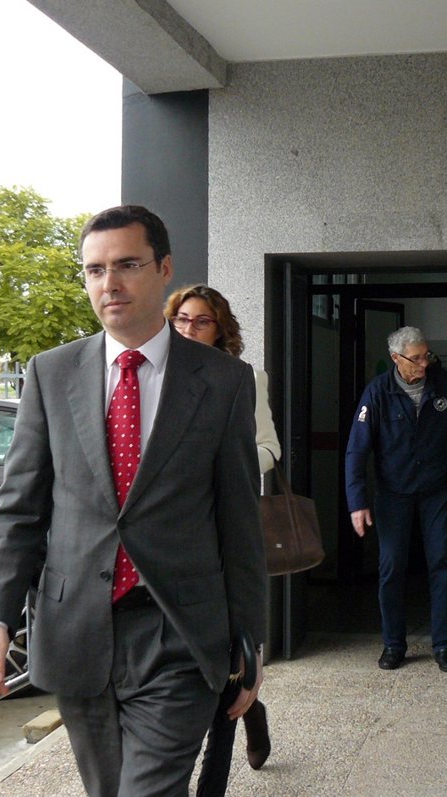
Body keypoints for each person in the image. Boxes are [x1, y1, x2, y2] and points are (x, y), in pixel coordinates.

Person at [0, 205, 267, 797]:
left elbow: (239, 520)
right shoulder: (50, 374)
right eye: (95, 269)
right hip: (77, 629)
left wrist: (250, 643)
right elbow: (19, 507)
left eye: (127, 265)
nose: (110, 283)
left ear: (164, 268)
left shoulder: (223, 381)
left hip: (177, 632)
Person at [164, 284, 281, 793]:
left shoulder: (244, 377)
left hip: (223, 525)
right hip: (171, 533)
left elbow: (269, 447)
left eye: (201, 321)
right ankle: (253, 709)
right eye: (181, 320)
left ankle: (213, 779)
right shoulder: (154, 374)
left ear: (220, 329)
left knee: (228, 652)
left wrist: (223, 468)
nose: (189, 329)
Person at [344, 326, 447, 673]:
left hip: (437, 492)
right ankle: (393, 644)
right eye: (415, 358)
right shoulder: (378, 393)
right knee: (391, 568)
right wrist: (357, 502)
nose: (424, 364)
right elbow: (357, 450)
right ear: (395, 358)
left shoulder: (444, 386)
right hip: (393, 493)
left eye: (426, 356)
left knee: (442, 565)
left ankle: (444, 645)